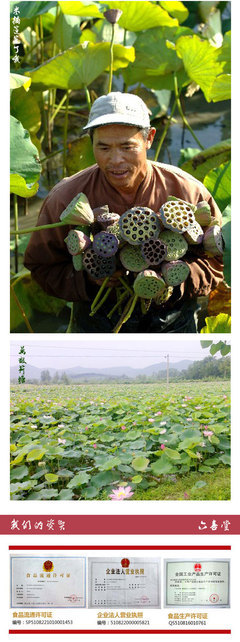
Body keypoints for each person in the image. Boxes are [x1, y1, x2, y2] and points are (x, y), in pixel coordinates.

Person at [24, 92, 223, 333]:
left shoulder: (187, 191)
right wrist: (90, 280)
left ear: (149, 138)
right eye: (104, 147)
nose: (115, 160)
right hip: (97, 318)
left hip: (174, 319)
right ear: (91, 143)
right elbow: (42, 267)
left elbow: (219, 261)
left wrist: (175, 280)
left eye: (128, 147)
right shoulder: (66, 198)